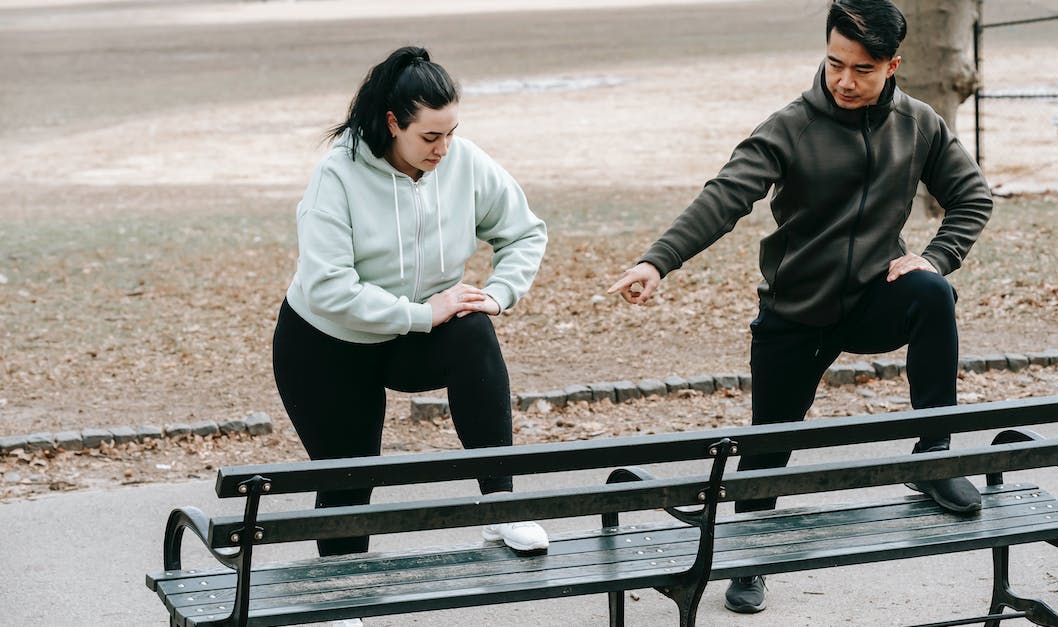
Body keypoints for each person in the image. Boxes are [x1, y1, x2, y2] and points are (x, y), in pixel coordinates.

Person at [607, 0, 993, 614]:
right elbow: (725, 196)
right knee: (770, 448)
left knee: (931, 293)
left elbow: (972, 196)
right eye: (835, 63)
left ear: (892, 65)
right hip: (795, 312)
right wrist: (658, 260)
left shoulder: (919, 123)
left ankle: (935, 456)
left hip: (872, 298)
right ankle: (751, 557)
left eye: (863, 69)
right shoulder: (791, 126)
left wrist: (936, 257)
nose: (844, 80)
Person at [272, 46, 550, 558]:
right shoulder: (337, 176)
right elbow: (328, 287)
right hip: (328, 345)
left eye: (451, 133)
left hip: (413, 339)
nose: (443, 148)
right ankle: (342, 595)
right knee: (351, 477)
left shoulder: (462, 161)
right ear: (392, 123)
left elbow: (524, 233)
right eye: (429, 136)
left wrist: (497, 293)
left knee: (473, 331)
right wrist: (422, 313)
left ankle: (502, 509)